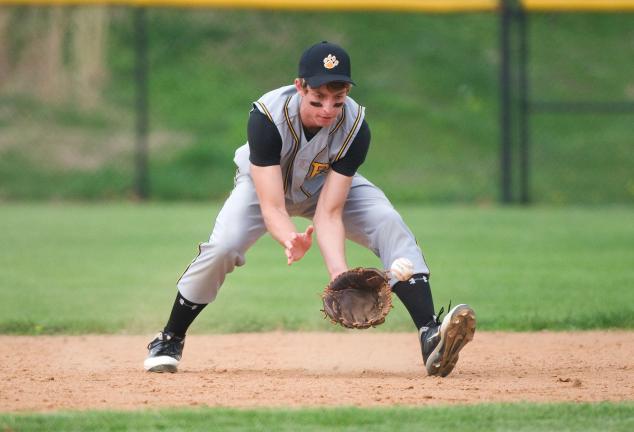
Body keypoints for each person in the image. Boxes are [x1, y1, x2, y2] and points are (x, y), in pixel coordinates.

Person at [144, 41, 476, 377]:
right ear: (300, 86)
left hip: (322, 186)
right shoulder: (267, 117)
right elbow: (273, 207)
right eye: (318, 99)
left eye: (338, 99)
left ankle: (430, 334)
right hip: (264, 187)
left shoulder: (355, 127)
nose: (328, 109)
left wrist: (339, 276)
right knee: (224, 246)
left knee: (387, 221)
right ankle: (170, 337)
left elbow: (329, 212)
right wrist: (290, 238)